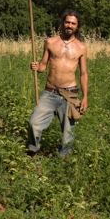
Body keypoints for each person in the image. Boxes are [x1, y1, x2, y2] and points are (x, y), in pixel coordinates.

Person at [27, 10, 89, 157]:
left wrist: (85, 96)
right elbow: (43, 65)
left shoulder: (81, 47)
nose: (70, 25)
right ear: (62, 23)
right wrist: (37, 67)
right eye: (67, 22)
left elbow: (83, 73)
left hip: (69, 94)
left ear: (77, 26)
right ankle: (33, 151)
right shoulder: (50, 42)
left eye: (73, 23)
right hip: (50, 92)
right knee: (33, 123)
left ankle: (63, 162)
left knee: (68, 133)